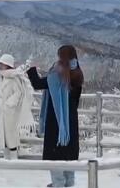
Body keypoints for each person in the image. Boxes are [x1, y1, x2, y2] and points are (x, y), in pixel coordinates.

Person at [27, 45, 84, 187]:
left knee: (55, 158)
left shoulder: (55, 76)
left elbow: (37, 84)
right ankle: (69, 184)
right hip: (71, 122)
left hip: (56, 123)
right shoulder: (78, 73)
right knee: (69, 157)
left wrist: (32, 68)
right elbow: (76, 101)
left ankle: (58, 184)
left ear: (61, 57)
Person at [0, 53, 34, 160]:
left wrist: (8, 104)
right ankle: (6, 161)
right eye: (0, 63)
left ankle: (14, 160)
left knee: (11, 138)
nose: (0, 65)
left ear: (8, 65)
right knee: (4, 139)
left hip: (11, 113)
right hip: (0, 112)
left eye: (2, 63)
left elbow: (19, 93)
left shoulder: (14, 77)